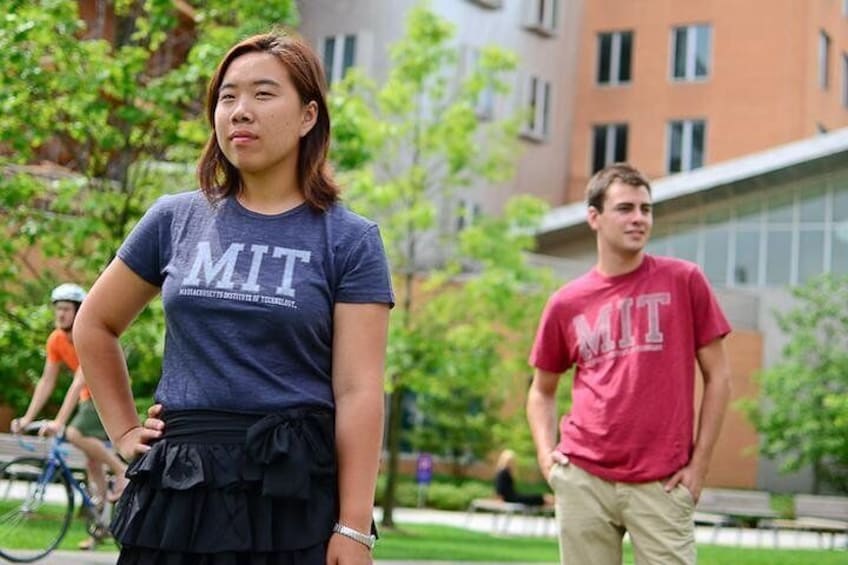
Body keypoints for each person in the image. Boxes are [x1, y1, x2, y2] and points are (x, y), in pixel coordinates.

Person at [73, 30, 393, 565]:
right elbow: (94, 324)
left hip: (287, 493)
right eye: (227, 97)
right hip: (179, 488)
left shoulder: (348, 239)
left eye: (263, 95)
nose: (240, 111)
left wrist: (354, 526)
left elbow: (360, 389)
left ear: (308, 116)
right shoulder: (175, 218)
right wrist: (125, 431)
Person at [526, 162, 732, 565]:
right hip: (583, 476)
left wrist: (699, 467)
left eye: (646, 209)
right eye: (625, 208)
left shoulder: (684, 281)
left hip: (663, 481)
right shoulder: (566, 303)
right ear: (594, 217)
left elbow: (720, 378)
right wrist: (547, 457)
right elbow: (541, 390)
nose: (639, 218)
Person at [11, 283, 128, 549]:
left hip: (108, 392)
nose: (60, 314)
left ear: (78, 311)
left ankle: (122, 471)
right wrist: (28, 418)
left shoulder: (87, 333)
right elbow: (46, 381)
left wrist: (59, 423)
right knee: (92, 465)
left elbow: (78, 383)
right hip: (89, 396)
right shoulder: (56, 340)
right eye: (58, 309)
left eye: (66, 309)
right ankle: (101, 528)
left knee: (75, 433)